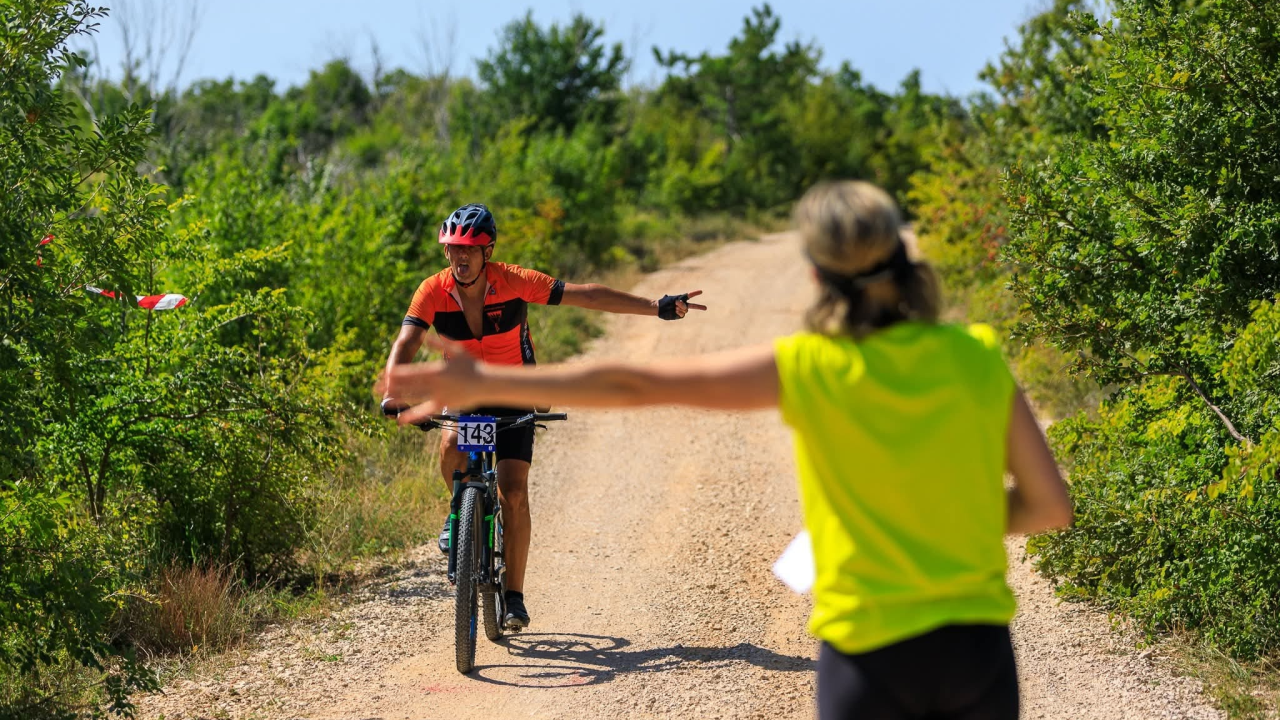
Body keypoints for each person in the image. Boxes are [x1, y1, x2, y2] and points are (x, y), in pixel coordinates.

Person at [380, 182, 1072, 719]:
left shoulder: (809, 365)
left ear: (814, 276)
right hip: (978, 649)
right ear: (905, 255)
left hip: (868, 651)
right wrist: (941, 519)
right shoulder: (978, 354)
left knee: (516, 486)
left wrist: (482, 378)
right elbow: (1047, 506)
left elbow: (634, 384)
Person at [380, 203, 706, 631]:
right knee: (451, 444)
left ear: (487, 251)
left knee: (513, 490)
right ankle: (460, 508)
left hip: (516, 390)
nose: (460, 258)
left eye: (470, 250)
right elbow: (405, 342)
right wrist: (392, 392)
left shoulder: (514, 281)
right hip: (466, 391)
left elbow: (586, 295)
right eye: (453, 249)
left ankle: (513, 595)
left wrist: (656, 307)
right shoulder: (432, 291)